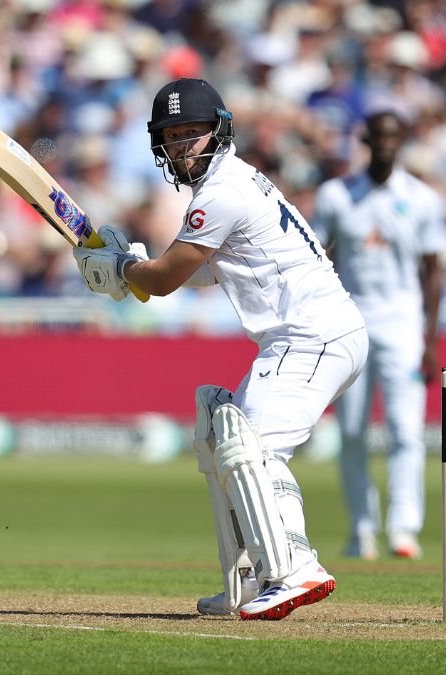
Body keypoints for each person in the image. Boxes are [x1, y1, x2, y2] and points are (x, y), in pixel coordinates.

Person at [72, 79, 367, 620]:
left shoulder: (220, 194)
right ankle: (250, 578)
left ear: (219, 132)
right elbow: (204, 271)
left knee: (252, 449)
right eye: (174, 135)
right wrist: (131, 269)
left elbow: (163, 280)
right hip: (309, 333)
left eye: (194, 134)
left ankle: (297, 569)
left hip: (311, 334)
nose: (185, 145)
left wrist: (122, 270)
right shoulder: (238, 180)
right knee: (223, 438)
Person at [312, 111, 445, 560]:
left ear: (403, 139)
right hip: (349, 322)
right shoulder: (337, 195)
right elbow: (316, 258)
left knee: (406, 430)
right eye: (379, 135)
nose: (386, 143)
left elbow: (433, 272)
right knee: (351, 431)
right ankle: (361, 529)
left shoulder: (422, 198)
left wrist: (431, 341)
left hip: (403, 324)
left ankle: (403, 529)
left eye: (394, 135)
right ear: (366, 138)